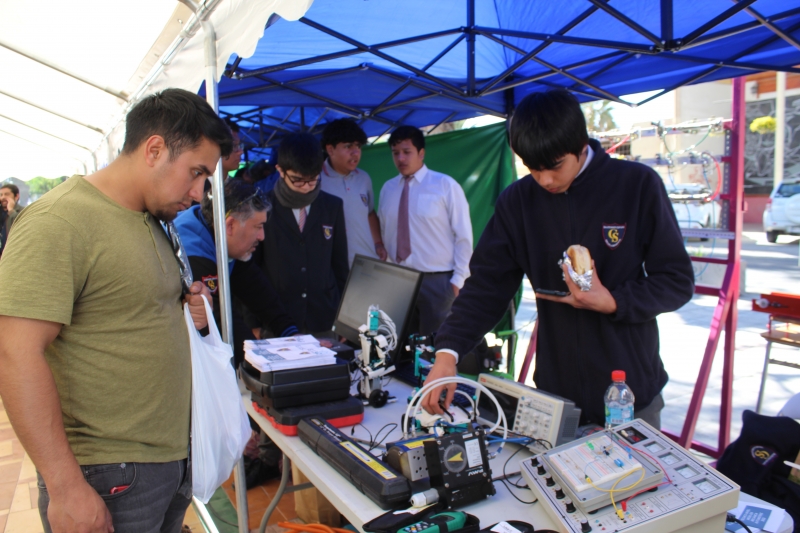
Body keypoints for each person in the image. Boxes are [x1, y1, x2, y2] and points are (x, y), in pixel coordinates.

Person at [0, 88, 231, 533]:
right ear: (155, 149)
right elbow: (15, 354)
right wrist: (65, 488)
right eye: (197, 172)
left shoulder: (152, 219)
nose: (200, 192)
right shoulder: (60, 220)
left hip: (163, 462)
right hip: (108, 474)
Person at [423, 89, 695, 429]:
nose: (545, 180)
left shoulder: (636, 186)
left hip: (629, 395)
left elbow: (676, 281)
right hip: (556, 397)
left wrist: (613, 301)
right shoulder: (518, 203)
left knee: (634, 483)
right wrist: (448, 354)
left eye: (554, 167)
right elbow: (486, 287)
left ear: (581, 146)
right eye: (533, 169)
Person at [174, 179, 298, 489]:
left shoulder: (217, 234)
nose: (262, 236)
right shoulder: (194, 254)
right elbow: (224, 329)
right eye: (257, 227)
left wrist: (292, 335)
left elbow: (258, 291)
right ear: (230, 224)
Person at [378, 125, 473, 335]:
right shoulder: (388, 189)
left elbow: (463, 236)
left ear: (421, 153)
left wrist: (458, 281)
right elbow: (386, 233)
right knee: (400, 346)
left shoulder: (445, 185)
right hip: (400, 281)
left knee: (437, 348)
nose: (400, 158)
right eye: (395, 153)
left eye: (406, 152)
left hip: (438, 282)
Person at [253, 132, 349, 335]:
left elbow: (340, 267)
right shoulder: (263, 207)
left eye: (312, 180)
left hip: (323, 318)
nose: (306, 187)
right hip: (278, 319)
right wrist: (253, 322)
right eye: (298, 180)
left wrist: (344, 320)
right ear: (280, 170)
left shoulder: (332, 206)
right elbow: (251, 269)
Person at [320, 119, 387, 264]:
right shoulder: (315, 181)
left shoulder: (363, 178)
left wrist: (378, 244)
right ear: (330, 149)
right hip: (333, 268)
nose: (355, 152)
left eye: (358, 146)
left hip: (366, 262)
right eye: (348, 146)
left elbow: (370, 213)